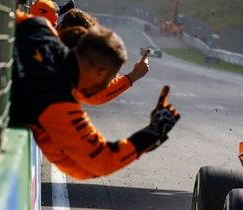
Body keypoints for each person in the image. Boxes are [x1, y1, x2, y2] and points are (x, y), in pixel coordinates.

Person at [10, 16, 179, 179]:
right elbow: (101, 162)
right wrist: (152, 132)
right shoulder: (59, 103)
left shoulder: (39, 26)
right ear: (100, 73)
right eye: (109, 79)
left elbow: (80, 167)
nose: (106, 86)